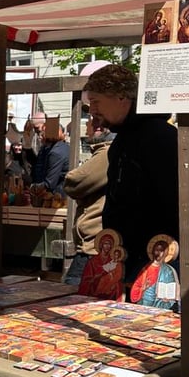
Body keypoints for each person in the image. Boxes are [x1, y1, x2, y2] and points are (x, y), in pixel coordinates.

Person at [83, 64, 179, 281]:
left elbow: (172, 199)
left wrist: (162, 248)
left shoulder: (160, 137)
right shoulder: (122, 140)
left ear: (120, 98)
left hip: (153, 259)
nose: (93, 110)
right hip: (125, 256)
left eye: (96, 101)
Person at [62, 118, 115, 286]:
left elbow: (74, 182)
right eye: (92, 119)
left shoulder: (108, 152)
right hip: (99, 245)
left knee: (72, 300)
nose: (94, 124)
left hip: (94, 247)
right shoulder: (107, 150)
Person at [130, 236, 180, 309]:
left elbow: (172, 290)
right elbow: (136, 286)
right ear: (153, 251)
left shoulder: (168, 270)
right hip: (143, 303)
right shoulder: (146, 268)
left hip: (159, 304)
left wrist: (169, 298)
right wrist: (143, 288)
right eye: (156, 249)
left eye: (162, 250)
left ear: (166, 253)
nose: (158, 252)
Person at [77, 229, 125, 300]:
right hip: (94, 289)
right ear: (101, 244)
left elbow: (117, 275)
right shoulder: (92, 261)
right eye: (105, 244)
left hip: (109, 291)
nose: (107, 246)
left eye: (109, 244)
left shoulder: (114, 261)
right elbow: (86, 280)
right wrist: (96, 278)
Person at [31, 121, 71, 196]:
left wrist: (33, 188)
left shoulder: (55, 152)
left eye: (42, 133)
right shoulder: (61, 147)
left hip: (59, 195)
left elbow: (49, 183)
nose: (40, 137)